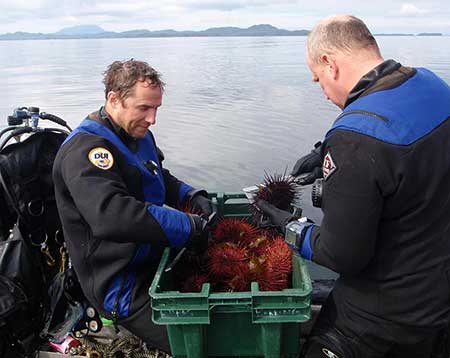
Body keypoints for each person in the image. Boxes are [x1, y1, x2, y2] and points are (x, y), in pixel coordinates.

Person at [256, 15, 450, 357]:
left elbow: (341, 254)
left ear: (330, 64)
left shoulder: (354, 139)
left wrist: (290, 226)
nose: (324, 93)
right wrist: (324, 153)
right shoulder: (431, 84)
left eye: (318, 80)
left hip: (387, 316)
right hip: (439, 295)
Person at [53, 59, 217, 352]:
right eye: (144, 108)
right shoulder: (85, 151)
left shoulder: (138, 134)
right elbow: (113, 216)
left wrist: (191, 196)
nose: (152, 118)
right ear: (113, 99)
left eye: (156, 109)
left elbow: (156, 176)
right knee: (207, 344)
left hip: (153, 260)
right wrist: (189, 226)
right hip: (121, 284)